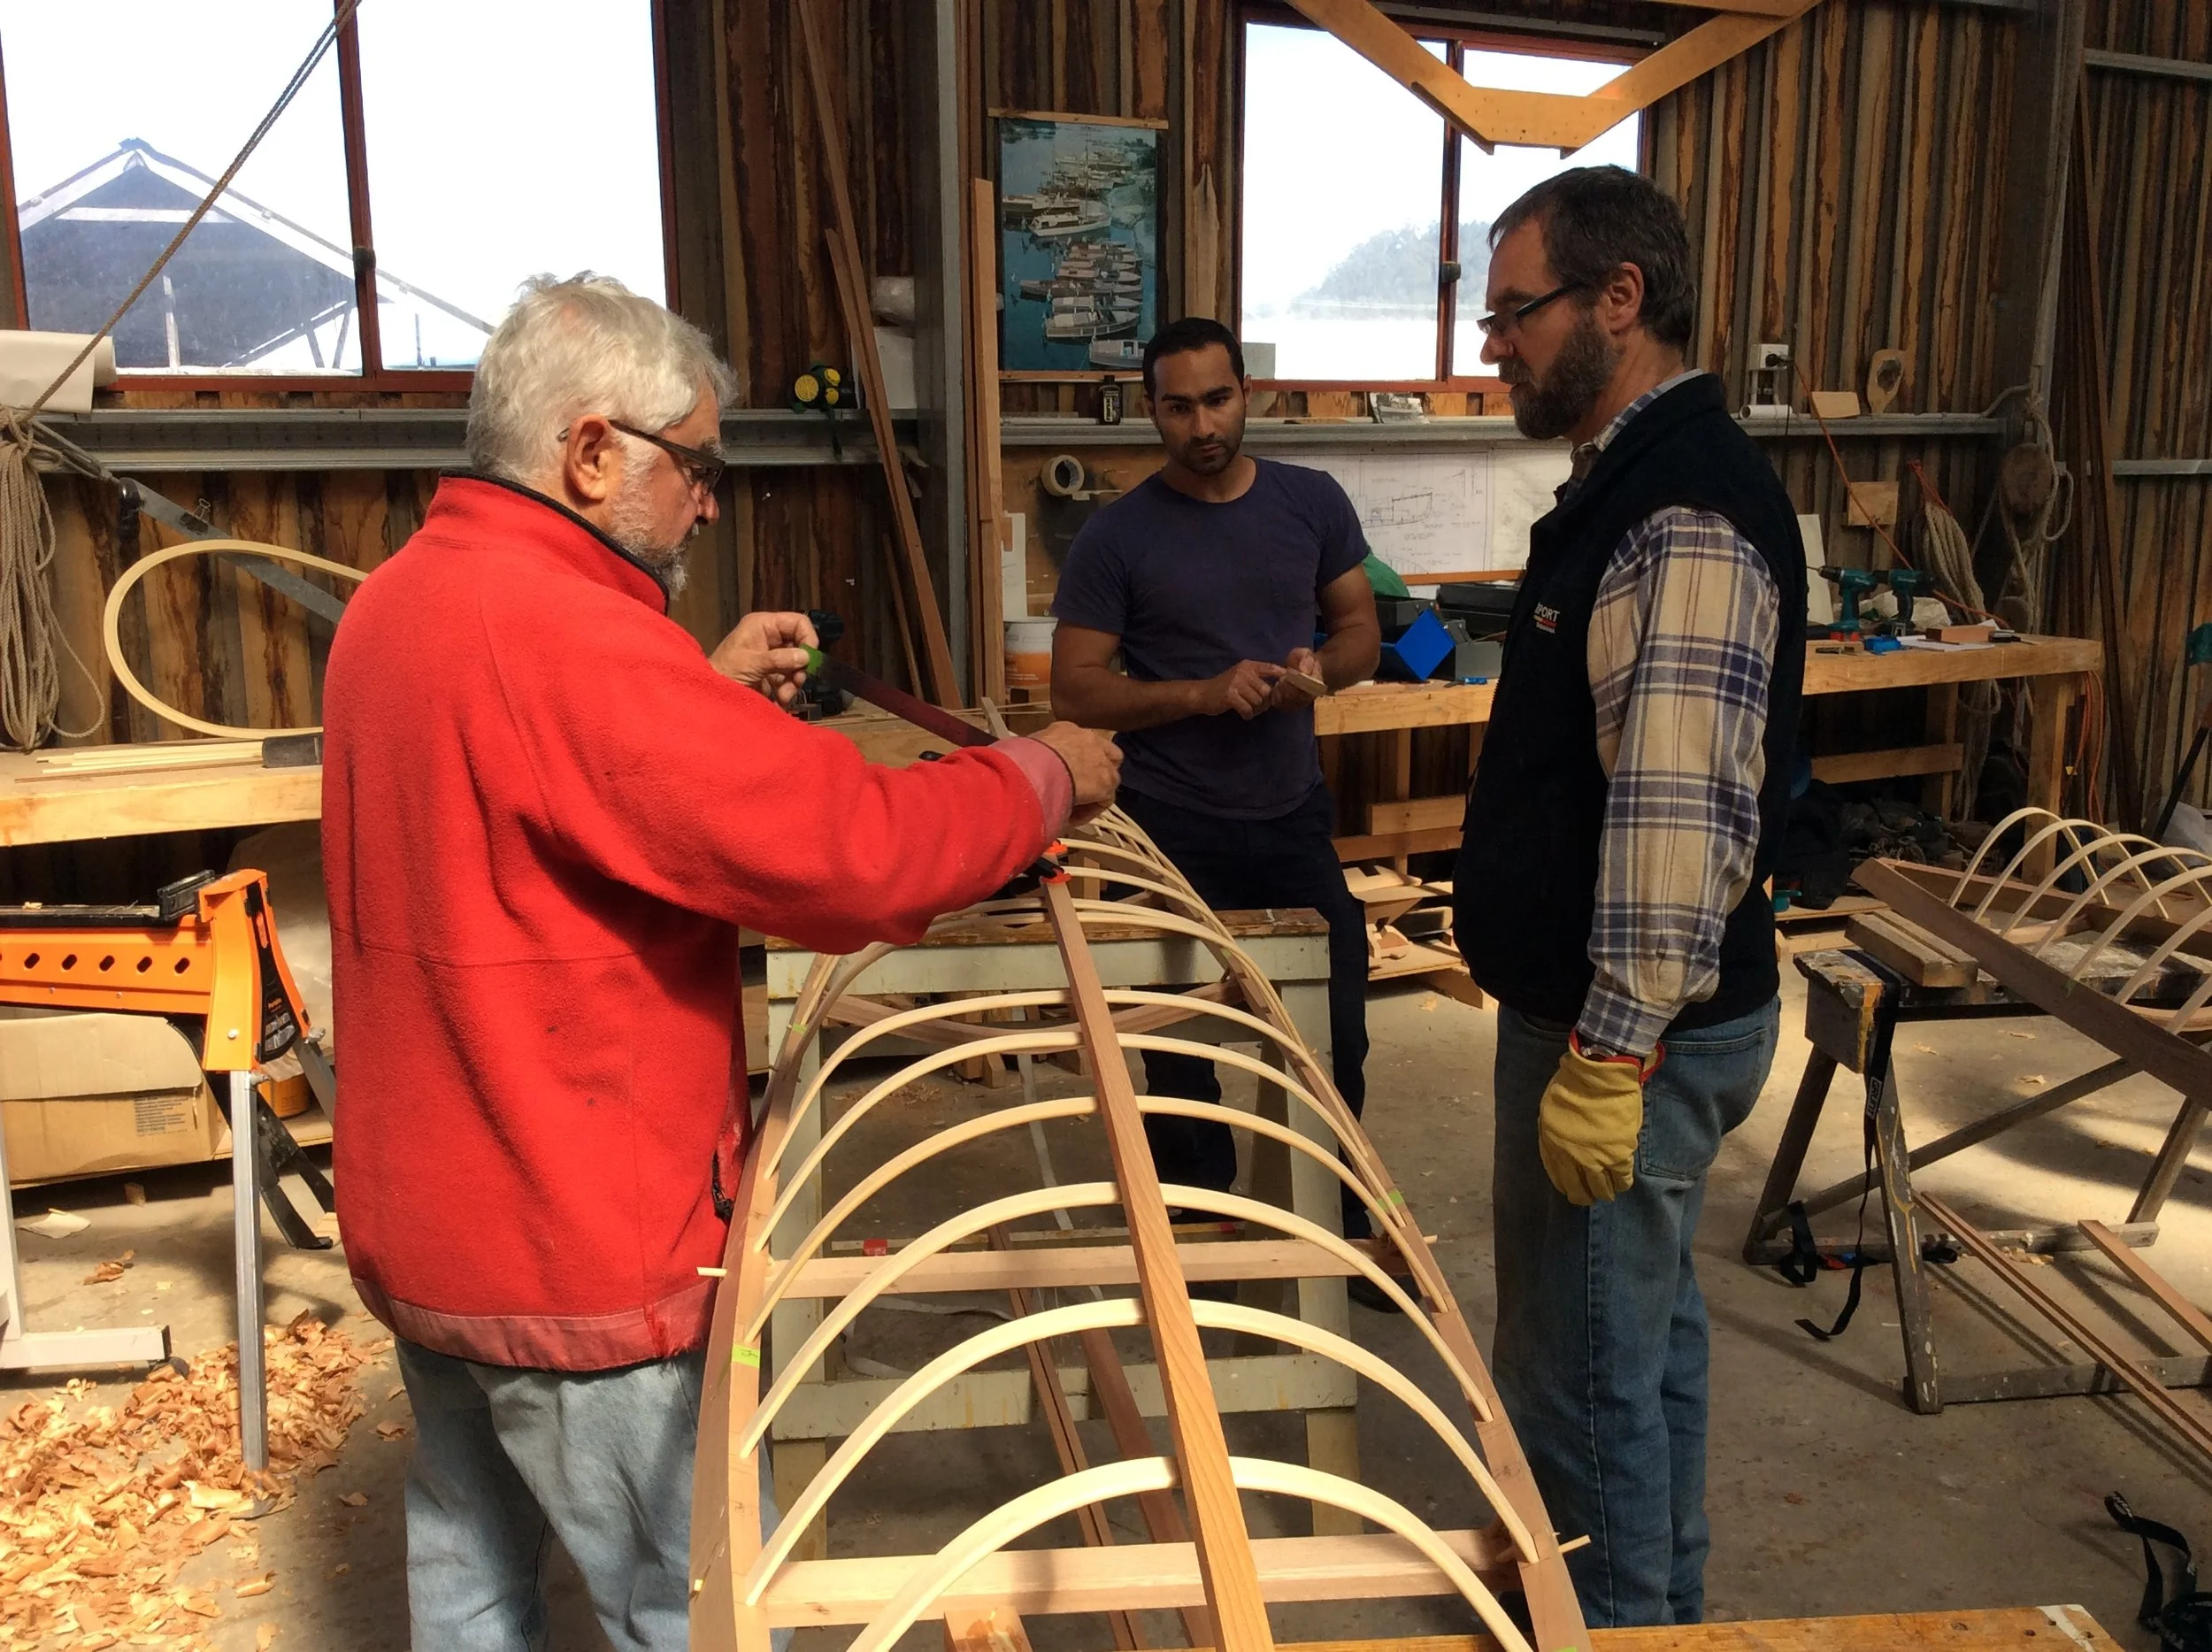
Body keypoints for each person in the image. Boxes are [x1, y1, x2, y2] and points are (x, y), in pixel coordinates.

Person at [322, 273, 1120, 1651]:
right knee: (688, 1606)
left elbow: (531, 791)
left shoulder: (401, 600)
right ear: (590, 452)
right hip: (575, 1239)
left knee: (470, 1581)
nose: (705, 502)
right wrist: (1043, 773)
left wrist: (691, 689)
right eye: (693, 465)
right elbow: (857, 850)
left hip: (435, 1221)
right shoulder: (575, 639)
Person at [1451, 168, 1806, 1624]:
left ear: (1620, 298)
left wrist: (1609, 1050)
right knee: (1642, 1344)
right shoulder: (1631, 480)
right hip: (1621, 1016)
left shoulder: (1682, 509)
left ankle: (1618, 1622)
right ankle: (1668, 1611)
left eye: (1513, 312)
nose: (1494, 346)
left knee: (1577, 1380)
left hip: (1625, 1034)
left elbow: (1677, 808)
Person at [1049, 316, 1381, 1244]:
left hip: (1290, 813)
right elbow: (1074, 687)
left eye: (1218, 399)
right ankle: (1199, 1230)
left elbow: (1361, 632)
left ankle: (1338, 1216)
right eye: (1179, 407)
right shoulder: (1117, 536)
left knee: (1337, 1028)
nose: (1202, 425)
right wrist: (1201, 692)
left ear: (1248, 392)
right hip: (1170, 827)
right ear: (1150, 411)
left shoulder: (1311, 502)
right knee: (1175, 1044)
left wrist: (1321, 669)